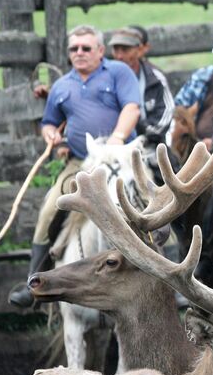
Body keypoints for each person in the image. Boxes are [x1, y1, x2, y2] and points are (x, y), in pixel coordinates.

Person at [9, 25, 141, 307]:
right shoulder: (62, 86)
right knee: (50, 207)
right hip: (81, 162)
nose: (79, 53)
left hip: (122, 156)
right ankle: (34, 283)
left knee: (154, 202)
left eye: (86, 48)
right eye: (74, 49)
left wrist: (116, 139)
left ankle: (174, 278)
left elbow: (132, 107)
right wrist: (50, 135)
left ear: (100, 51)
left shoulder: (118, 72)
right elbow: (48, 121)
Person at [107, 27, 174, 150]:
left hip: (149, 144)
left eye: (125, 49)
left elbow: (166, 112)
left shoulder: (155, 78)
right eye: (116, 49)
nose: (120, 55)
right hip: (111, 143)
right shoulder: (104, 77)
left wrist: (142, 133)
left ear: (139, 50)